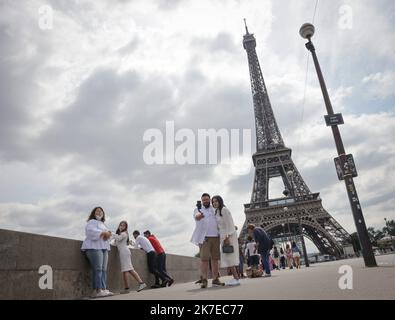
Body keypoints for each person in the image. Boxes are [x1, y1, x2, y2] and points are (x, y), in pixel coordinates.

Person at [190, 193, 224, 288]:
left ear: (210, 200)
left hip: (215, 236)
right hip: (204, 238)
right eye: (203, 200)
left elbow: (221, 220)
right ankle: (204, 280)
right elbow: (196, 216)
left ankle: (215, 279)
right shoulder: (198, 209)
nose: (205, 201)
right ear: (201, 201)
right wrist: (199, 216)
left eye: (207, 199)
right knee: (204, 260)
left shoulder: (215, 209)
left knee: (215, 259)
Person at [81, 207, 114, 298]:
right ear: (94, 213)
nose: (99, 213)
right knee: (98, 268)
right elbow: (90, 232)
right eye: (97, 211)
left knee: (104, 269)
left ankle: (103, 288)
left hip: (104, 248)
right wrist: (103, 233)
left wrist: (108, 234)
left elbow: (108, 237)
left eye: (101, 211)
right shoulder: (91, 222)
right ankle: (97, 290)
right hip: (94, 247)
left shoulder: (103, 224)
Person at [212, 195, 240, 286]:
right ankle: (235, 278)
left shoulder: (224, 210)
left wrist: (227, 237)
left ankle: (236, 278)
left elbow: (230, 224)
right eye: (213, 202)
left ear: (220, 201)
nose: (214, 203)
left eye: (216, 201)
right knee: (228, 258)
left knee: (230, 257)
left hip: (228, 236)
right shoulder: (217, 211)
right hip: (223, 236)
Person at [111, 221, 147, 293]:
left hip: (124, 252)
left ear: (125, 227)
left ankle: (128, 288)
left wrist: (111, 233)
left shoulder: (124, 233)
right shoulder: (120, 234)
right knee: (129, 269)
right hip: (124, 252)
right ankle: (141, 283)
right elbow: (115, 243)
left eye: (123, 226)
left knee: (126, 270)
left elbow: (118, 238)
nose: (121, 227)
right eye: (120, 225)